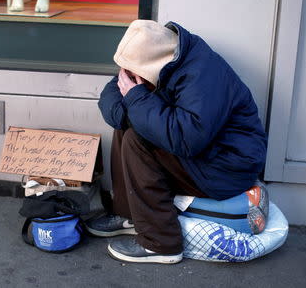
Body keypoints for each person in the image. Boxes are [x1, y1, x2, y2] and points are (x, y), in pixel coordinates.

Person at [86, 20, 267, 264]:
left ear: (155, 67)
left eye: (134, 74)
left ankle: (161, 243)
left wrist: (136, 99)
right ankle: (129, 215)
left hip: (228, 166)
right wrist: (132, 104)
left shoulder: (204, 74)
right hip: (203, 155)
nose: (129, 77)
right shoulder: (156, 56)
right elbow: (112, 97)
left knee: (138, 137)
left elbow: (187, 139)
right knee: (133, 121)